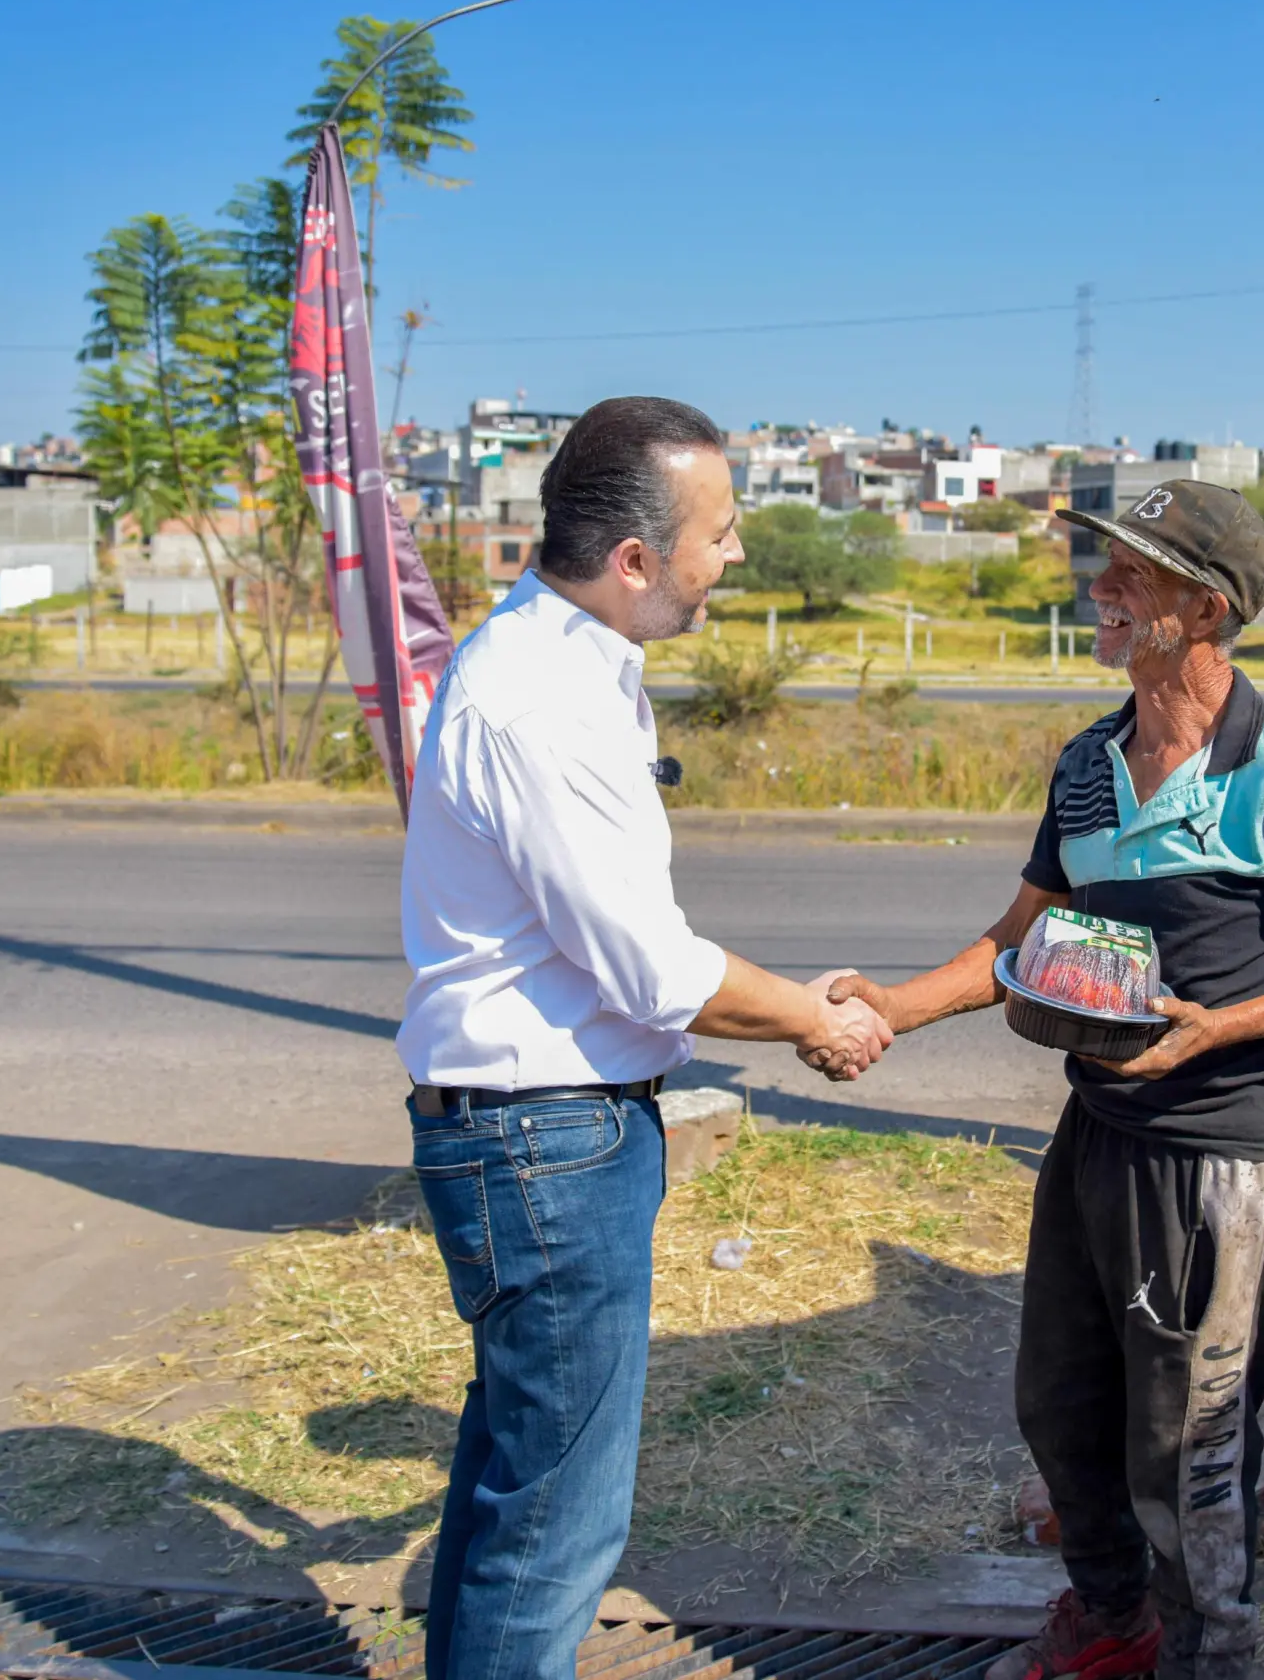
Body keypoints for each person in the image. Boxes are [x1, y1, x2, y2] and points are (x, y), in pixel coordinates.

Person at [828, 480, 1264, 1680]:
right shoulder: (1088, 764)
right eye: (1105, 568)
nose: (1100, 592)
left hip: (1221, 1161)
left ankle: (1210, 1650)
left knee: (1187, 1449)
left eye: (1128, 575)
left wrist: (1222, 1026)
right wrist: (895, 1007)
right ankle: (1112, 1618)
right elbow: (1017, 942)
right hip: (1096, 1138)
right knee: (1060, 1403)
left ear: (1203, 607)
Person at [397, 395, 894, 1680]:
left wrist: (791, 1000)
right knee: (559, 1524)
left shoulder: (564, 667)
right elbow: (650, 968)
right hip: (542, 1142)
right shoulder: (541, 698)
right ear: (633, 559)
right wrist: (811, 1017)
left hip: (542, 1135)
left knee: (519, 1481)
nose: (733, 557)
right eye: (717, 535)